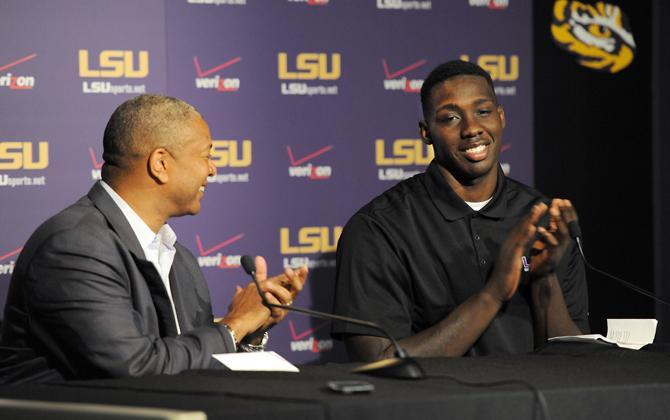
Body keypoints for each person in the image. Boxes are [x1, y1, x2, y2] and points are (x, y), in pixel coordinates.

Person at [0, 94, 307, 383]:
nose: (212, 169)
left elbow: (185, 359)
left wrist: (250, 329)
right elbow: (135, 370)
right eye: (206, 155)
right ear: (160, 163)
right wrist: (233, 326)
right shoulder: (73, 247)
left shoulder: (179, 258)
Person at [331, 60, 589, 361]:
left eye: (483, 112)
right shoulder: (378, 229)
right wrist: (493, 293)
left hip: (535, 407)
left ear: (501, 117)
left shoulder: (545, 219)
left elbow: (575, 359)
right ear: (426, 132)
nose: (471, 129)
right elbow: (377, 363)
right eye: (451, 118)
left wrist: (545, 278)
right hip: (436, 407)